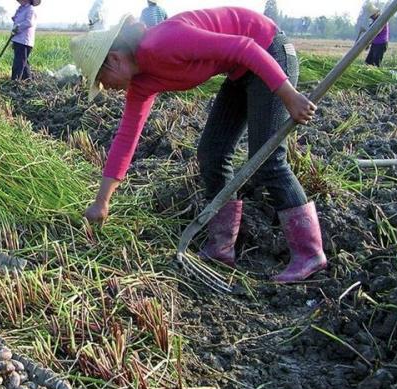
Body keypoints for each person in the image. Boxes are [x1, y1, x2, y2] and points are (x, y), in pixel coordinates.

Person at [70, 8, 327, 283]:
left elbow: (245, 46)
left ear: (114, 59)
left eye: (101, 80)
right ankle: (222, 247)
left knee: (267, 159)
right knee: (212, 154)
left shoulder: (162, 43)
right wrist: (102, 201)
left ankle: (310, 254)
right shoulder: (141, 82)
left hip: (267, 51)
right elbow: (127, 136)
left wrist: (287, 93)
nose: (105, 88)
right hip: (240, 71)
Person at [11, 0, 40, 80]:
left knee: (19, 63)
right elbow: (17, 20)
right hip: (18, 39)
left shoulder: (30, 9)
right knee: (23, 62)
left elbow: (29, 22)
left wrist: (18, 27)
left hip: (24, 41)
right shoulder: (21, 9)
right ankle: (27, 80)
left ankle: (15, 81)